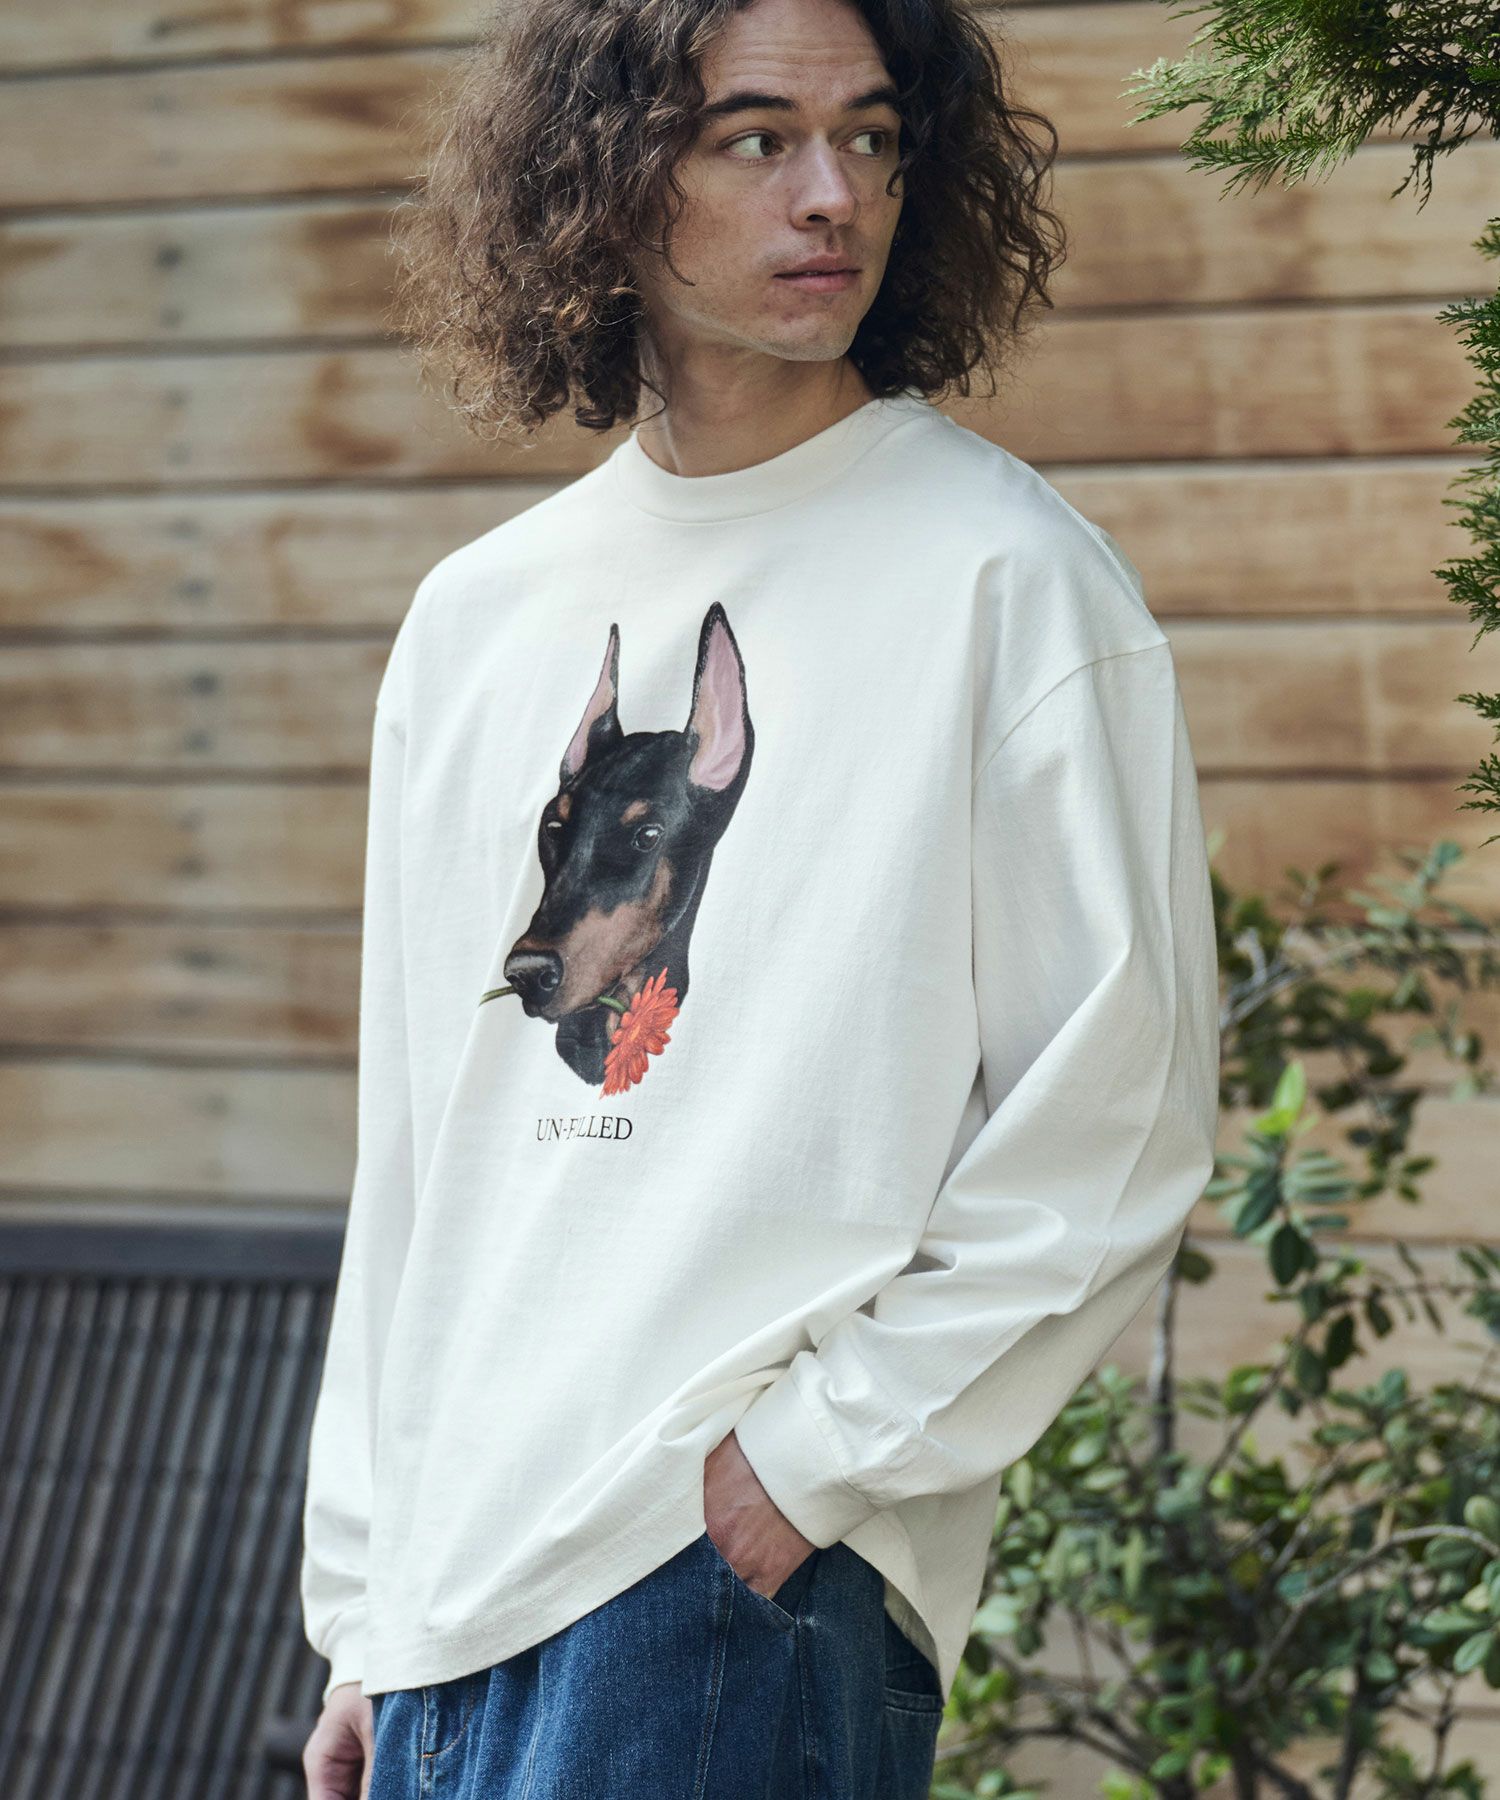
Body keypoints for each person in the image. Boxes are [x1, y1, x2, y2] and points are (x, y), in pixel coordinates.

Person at [298, 0, 1222, 1794]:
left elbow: (1115, 1118)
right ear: (603, 177)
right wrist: (366, 1600)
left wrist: (804, 1472)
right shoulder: (478, 617)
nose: (832, 196)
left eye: (871, 137)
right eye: (757, 138)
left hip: (725, 1586)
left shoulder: (1006, 581)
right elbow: (418, 1150)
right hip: (449, 1610)